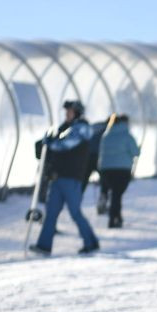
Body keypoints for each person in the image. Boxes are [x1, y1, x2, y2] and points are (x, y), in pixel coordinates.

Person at [29, 99, 100, 256]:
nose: (67, 114)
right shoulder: (65, 129)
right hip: (57, 177)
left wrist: (50, 142)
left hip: (71, 178)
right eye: (66, 112)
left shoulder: (81, 130)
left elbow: (64, 145)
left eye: (70, 112)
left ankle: (91, 242)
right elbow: (57, 144)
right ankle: (44, 245)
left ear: (77, 113)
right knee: (52, 212)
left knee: (75, 212)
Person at [97, 113, 140, 229]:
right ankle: (114, 218)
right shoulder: (127, 135)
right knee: (117, 195)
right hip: (122, 170)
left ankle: (105, 197)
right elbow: (136, 152)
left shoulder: (106, 135)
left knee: (114, 194)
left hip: (105, 170)